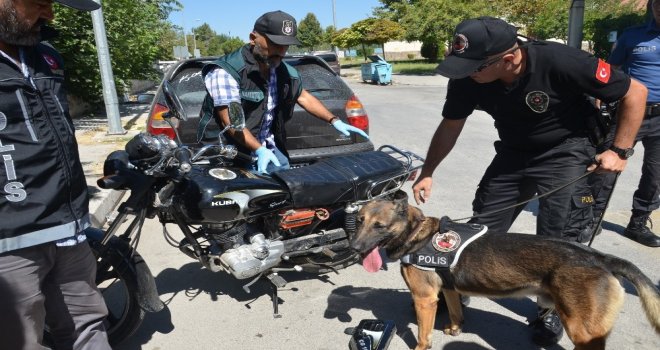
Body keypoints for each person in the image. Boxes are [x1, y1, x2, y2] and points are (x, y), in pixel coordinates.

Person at [412, 17, 647, 346]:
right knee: (480, 229)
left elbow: (636, 92)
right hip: (513, 151)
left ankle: (549, 309)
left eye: (473, 67)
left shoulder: (560, 60)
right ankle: (459, 288)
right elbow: (451, 125)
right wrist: (428, 171)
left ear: (508, 59)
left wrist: (620, 150)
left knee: (557, 237)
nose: (466, 73)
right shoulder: (469, 75)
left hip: (566, 149)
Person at [0, 0, 111, 349]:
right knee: (21, 340)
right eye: (38, 3)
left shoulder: (45, 54)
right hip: (10, 242)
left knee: (88, 325)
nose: (49, 13)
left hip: (67, 226)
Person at [199, 10, 368, 174]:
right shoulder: (226, 72)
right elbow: (232, 123)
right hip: (229, 154)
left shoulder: (282, 70)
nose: (281, 51)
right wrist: (259, 150)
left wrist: (334, 120)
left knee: (286, 195)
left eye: (286, 45)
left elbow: (302, 96)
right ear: (253, 38)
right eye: (275, 44)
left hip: (268, 147)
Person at [589, 0, 660, 247]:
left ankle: (638, 223)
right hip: (631, 113)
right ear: (653, 5)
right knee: (607, 166)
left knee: (655, 174)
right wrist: (599, 98)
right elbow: (611, 69)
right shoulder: (633, 36)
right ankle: (591, 217)